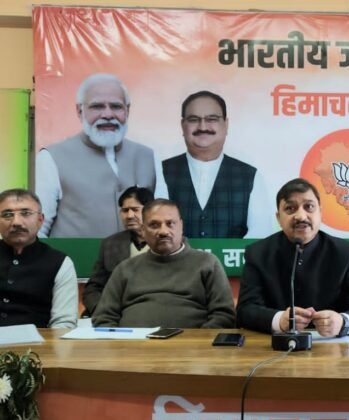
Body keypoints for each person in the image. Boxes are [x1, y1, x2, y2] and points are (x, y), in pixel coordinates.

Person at [237, 178, 349, 336]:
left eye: (309, 207)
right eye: (290, 208)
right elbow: (245, 310)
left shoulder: (345, 252)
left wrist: (343, 322)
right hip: (277, 344)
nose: (301, 216)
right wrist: (279, 320)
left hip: (332, 345)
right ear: (278, 218)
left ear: (320, 213)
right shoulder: (258, 253)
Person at [36, 73, 156, 238]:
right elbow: (39, 228)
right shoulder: (51, 157)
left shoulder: (148, 156)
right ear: (80, 111)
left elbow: (160, 218)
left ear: (127, 110)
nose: (107, 115)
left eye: (116, 106)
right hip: (75, 255)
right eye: (97, 106)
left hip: (135, 255)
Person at [92, 199, 235, 328]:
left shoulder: (207, 263)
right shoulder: (125, 269)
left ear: (181, 226)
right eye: (154, 225)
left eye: (170, 223)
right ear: (143, 230)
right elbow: (103, 317)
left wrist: (198, 342)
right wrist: (120, 344)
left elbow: (224, 316)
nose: (163, 231)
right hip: (133, 346)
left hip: (193, 346)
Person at [162, 90, 265, 238]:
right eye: (193, 119)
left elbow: (260, 235)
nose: (203, 127)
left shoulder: (250, 176)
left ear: (226, 125)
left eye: (212, 119)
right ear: (182, 125)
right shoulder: (161, 172)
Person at [0, 189, 77, 328]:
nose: (16, 222)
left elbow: (63, 323)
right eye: (7, 215)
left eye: (25, 213)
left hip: (37, 341)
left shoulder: (60, 263)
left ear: (40, 220)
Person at [81, 186, 154, 317]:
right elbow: (93, 288)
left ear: (150, 211)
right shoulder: (110, 244)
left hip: (153, 312)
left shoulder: (166, 242)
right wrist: (101, 310)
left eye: (135, 210)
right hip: (114, 314)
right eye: (125, 210)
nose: (129, 215)